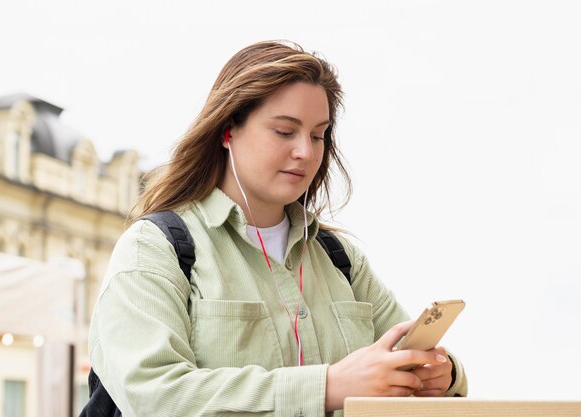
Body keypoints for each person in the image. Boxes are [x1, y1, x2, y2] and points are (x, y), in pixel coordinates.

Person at [88, 40, 468, 417]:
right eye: (285, 131)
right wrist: (329, 386)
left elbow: (410, 358)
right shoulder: (155, 248)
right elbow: (154, 396)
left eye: (318, 135)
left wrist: (442, 373)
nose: (306, 151)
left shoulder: (340, 258)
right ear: (227, 130)